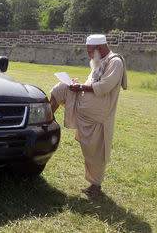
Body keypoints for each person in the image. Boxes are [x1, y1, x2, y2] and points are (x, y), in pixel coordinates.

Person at [49, 34, 127, 195]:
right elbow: (91, 83)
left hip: (99, 114)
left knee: (95, 150)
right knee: (60, 88)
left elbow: (104, 86)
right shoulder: (99, 61)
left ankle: (96, 184)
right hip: (84, 106)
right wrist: (75, 84)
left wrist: (81, 87)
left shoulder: (115, 62)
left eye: (90, 51)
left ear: (100, 48)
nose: (89, 55)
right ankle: (46, 118)